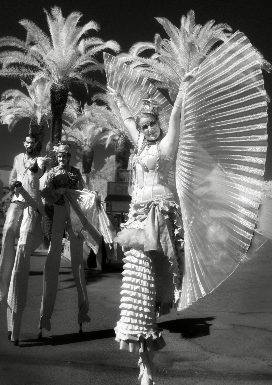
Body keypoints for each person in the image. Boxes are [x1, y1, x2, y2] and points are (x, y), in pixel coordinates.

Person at [108, 74, 194, 384]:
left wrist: (182, 90)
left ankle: (148, 362)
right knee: (137, 289)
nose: (146, 129)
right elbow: (127, 120)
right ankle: (145, 365)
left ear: (157, 122)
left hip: (160, 219)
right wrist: (117, 96)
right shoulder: (141, 147)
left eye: (150, 124)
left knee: (155, 286)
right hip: (136, 220)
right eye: (143, 126)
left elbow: (176, 116)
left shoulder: (167, 145)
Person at [38, 143, 102, 338]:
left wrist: (93, 196)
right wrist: (55, 192)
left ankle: (83, 314)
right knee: (52, 260)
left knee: (78, 264)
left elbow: (82, 193)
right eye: (58, 156)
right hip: (58, 212)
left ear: (68, 156)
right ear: (56, 157)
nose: (61, 158)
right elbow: (45, 195)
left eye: (64, 156)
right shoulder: (50, 173)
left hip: (73, 213)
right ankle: (44, 317)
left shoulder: (75, 172)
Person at [0, 134, 45, 346]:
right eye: (25, 142)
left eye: (31, 142)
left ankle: (15, 328)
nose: (28, 144)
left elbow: (39, 172)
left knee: (21, 254)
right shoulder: (17, 158)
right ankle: (3, 286)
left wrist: (35, 169)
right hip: (17, 202)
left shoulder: (41, 160)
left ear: (37, 144)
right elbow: (11, 179)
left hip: (32, 206)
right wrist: (13, 183)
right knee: (7, 232)